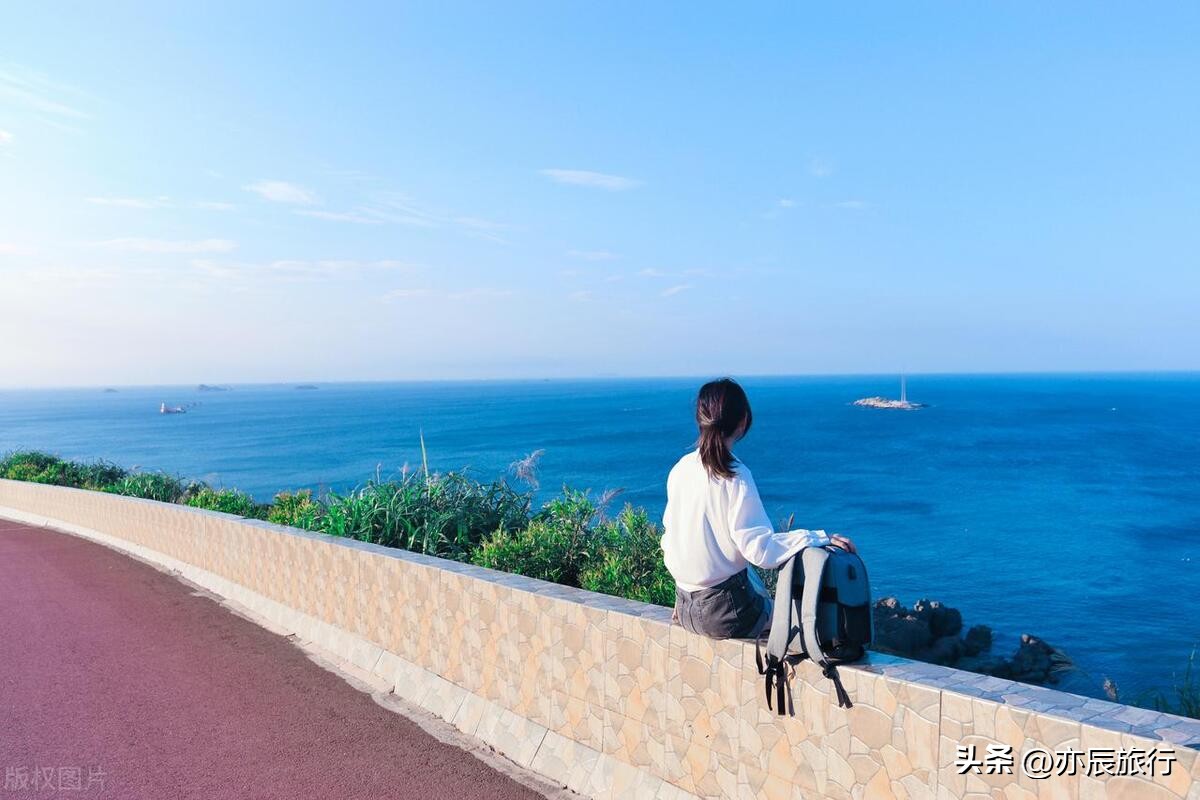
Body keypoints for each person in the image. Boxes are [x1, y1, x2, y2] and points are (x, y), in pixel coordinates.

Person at [662, 378, 856, 639]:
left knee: (748, 577)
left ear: (700, 418)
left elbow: (670, 540)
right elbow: (760, 551)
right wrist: (818, 537)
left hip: (685, 608)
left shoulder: (681, 469)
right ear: (743, 421)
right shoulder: (735, 475)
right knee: (804, 620)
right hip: (723, 613)